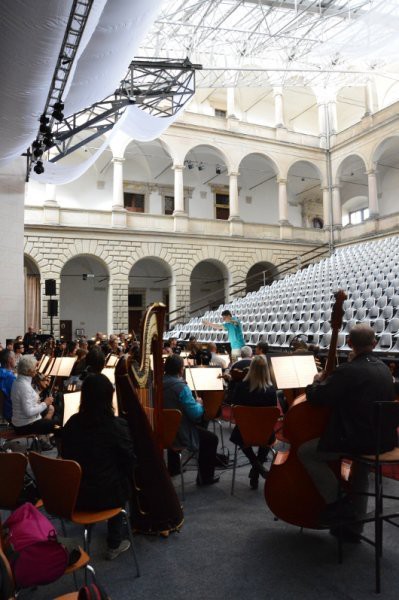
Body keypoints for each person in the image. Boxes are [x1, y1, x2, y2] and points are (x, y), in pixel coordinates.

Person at [298, 324, 397, 541]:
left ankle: (339, 503)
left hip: (356, 441)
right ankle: (354, 528)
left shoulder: (349, 370)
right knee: (360, 470)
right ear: (375, 344)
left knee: (306, 452)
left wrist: (315, 382)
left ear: (350, 343)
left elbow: (317, 398)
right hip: (383, 441)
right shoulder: (385, 370)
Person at [62, 373, 135, 560]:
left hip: (76, 497)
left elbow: (66, 456)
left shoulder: (71, 424)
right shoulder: (116, 426)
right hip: (107, 497)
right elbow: (129, 461)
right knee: (120, 479)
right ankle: (114, 543)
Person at [163, 354, 219, 485]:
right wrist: (199, 403)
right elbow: (196, 415)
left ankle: (174, 468)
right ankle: (205, 478)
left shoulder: (157, 383)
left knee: (173, 423)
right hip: (179, 434)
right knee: (211, 439)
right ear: (181, 369)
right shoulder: (181, 387)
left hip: (163, 430)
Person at [230, 355, 277, 489]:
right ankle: (257, 468)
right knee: (268, 436)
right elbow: (272, 416)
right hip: (264, 432)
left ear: (251, 369)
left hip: (244, 432)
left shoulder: (240, 387)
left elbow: (234, 409)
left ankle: (255, 464)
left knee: (239, 435)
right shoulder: (271, 391)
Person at [11, 354, 56, 437]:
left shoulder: (18, 381)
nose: (36, 369)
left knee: (51, 409)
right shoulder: (24, 386)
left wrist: (37, 399)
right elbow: (29, 412)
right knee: (59, 426)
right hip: (26, 426)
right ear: (28, 371)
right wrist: (45, 403)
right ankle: (43, 438)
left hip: (23, 422)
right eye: (35, 367)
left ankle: (43, 438)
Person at [0, 349, 16, 422]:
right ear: (10, 360)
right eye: (14, 357)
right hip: (10, 414)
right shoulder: (10, 377)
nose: (15, 359)